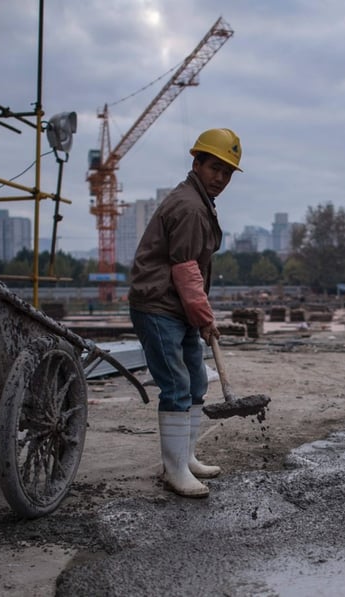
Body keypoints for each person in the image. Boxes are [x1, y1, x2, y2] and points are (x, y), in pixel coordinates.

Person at [127, 128, 242, 498]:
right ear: (196, 163)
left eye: (227, 173)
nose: (221, 179)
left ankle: (186, 457)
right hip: (160, 305)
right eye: (215, 169)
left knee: (195, 381)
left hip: (179, 305)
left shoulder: (201, 200)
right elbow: (185, 270)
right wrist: (205, 316)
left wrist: (198, 314)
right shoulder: (191, 206)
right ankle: (174, 470)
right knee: (176, 385)